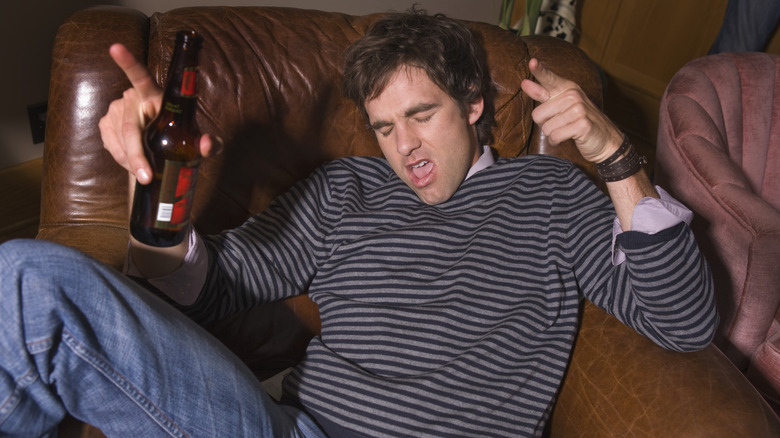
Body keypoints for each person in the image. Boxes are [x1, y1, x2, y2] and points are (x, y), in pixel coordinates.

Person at [0, 9, 717, 438]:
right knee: (25, 278)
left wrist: (616, 156)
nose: (403, 147)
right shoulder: (347, 188)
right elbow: (207, 292)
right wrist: (155, 192)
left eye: (421, 115)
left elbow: (683, 321)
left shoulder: (552, 192)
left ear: (474, 104)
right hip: (285, 428)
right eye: (381, 127)